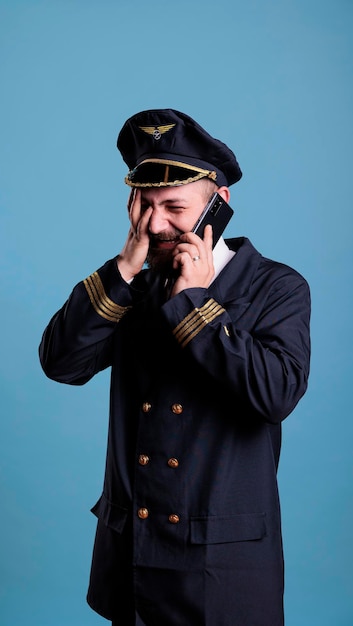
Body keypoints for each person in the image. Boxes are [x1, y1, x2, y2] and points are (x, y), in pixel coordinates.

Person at [39, 109, 311, 626]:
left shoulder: (277, 287)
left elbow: (276, 395)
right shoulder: (132, 290)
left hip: (219, 566)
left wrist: (196, 302)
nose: (156, 224)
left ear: (218, 205)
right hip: (135, 555)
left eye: (174, 207)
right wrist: (124, 266)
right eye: (145, 205)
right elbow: (62, 362)